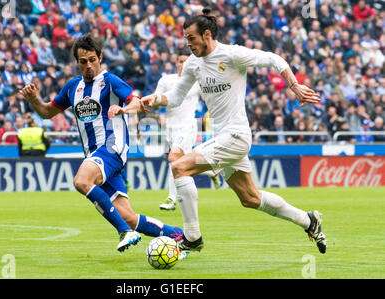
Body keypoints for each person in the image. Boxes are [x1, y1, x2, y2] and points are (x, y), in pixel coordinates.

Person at [141, 8, 327, 254]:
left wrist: (294, 86)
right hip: (223, 138)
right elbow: (175, 97)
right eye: (185, 39)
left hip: (237, 135)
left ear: (207, 34)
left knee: (179, 167)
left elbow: (274, 59)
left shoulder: (232, 54)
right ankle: (308, 220)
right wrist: (154, 100)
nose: (188, 44)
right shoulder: (193, 64)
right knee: (250, 198)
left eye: (191, 38)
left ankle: (192, 237)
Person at [19, 34, 183, 253]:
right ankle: (179, 236)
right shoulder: (72, 87)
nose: (88, 65)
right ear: (77, 62)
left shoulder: (111, 81)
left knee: (81, 180)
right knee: (129, 216)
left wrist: (123, 109)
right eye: (83, 61)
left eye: (92, 60)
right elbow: (48, 112)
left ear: (100, 57)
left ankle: (125, 232)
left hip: (112, 148)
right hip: (95, 156)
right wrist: (34, 101)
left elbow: (136, 101)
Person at [154, 48, 220, 211]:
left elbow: (210, 99)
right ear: (176, 62)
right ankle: (211, 171)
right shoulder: (166, 80)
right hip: (170, 128)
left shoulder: (196, 83)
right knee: (183, 163)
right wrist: (157, 111)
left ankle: (171, 199)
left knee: (173, 159)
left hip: (188, 127)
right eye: (180, 61)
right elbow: (155, 98)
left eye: (186, 61)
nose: (183, 64)